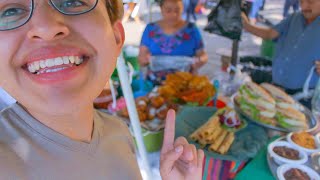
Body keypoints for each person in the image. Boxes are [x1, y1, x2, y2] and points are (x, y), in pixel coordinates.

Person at [0, 0, 204, 179]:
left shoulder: (120, 132)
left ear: (116, 37)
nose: (46, 27)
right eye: (10, 11)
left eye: (72, 2)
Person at [242, 0, 320, 107]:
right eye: (301, 1)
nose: (304, 6)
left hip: (303, 97)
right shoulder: (294, 18)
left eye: (310, 2)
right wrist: (247, 26)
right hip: (276, 87)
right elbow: (269, 34)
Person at [138, 0, 208, 83]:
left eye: (177, 11)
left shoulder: (191, 29)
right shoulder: (150, 29)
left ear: (182, 9)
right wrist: (144, 60)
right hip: (155, 82)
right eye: (168, 11)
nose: (173, 15)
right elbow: (141, 58)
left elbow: (202, 54)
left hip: (185, 82)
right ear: (161, 9)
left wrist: (200, 61)